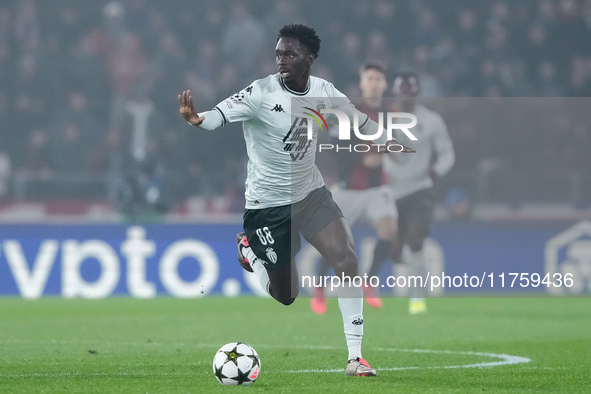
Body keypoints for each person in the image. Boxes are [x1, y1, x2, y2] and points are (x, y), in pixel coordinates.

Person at [178, 24, 414, 376]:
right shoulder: (259, 93)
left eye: (289, 53)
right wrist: (197, 119)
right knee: (287, 294)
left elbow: (360, 123)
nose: (281, 60)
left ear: (309, 58)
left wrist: (389, 141)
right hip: (267, 207)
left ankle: (355, 357)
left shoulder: (324, 93)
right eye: (278, 54)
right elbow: (216, 118)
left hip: (310, 194)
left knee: (347, 260)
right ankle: (250, 253)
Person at [310, 62, 399, 314]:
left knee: (390, 231)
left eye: (378, 79)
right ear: (362, 83)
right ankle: (319, 287)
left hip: (376, 189)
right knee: (333, 245)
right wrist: (362, 158)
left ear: (383, 84)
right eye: (369, 78)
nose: (373, 83)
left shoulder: (391, 114)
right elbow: (335, 148)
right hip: (348, 190)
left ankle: (369, 282)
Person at [371, 72, 455, 314]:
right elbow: (371, 149)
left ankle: (417, 299)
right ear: (395, 92)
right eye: (401, 89)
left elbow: (447, 153)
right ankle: (421, 272)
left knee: (416, 239)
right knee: (394, 251)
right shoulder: (382, 120)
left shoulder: (431, 121)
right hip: (389, 191)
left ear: (417, 93)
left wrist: (437, 170)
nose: (406, 94)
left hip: (419, 188)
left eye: (410, 89)